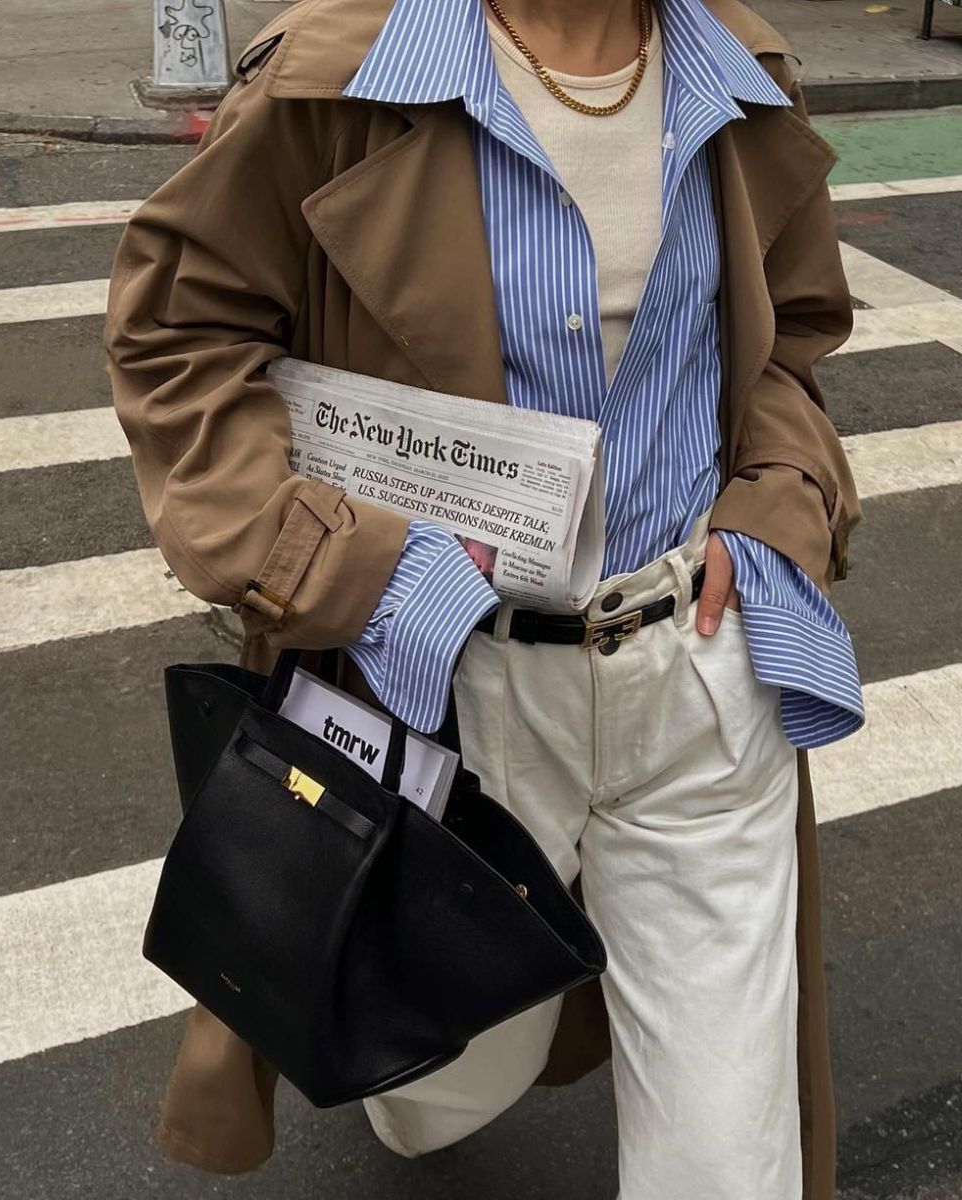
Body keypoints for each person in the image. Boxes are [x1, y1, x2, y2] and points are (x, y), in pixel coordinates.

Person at [105, 0, 864, 1196]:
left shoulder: (742, 72)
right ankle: (433, 1058)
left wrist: (776, 501)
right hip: (445, 692)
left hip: (698, 678)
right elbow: (178, 343)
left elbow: (782, 339)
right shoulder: (332, 81)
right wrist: (352, 570)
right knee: (427, 1076)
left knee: (729, 1158)